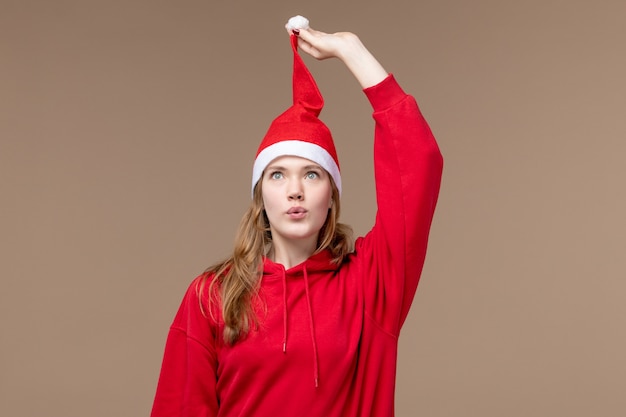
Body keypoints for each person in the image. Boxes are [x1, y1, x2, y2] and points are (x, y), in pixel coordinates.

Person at [150, 17, 443, 417]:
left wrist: (350, 50)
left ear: (331, 193)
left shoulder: (370, 283)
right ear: (261, 196)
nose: (295, 190)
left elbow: (418, 163)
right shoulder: (212, 296)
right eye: (277, 174)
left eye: (311, 173)